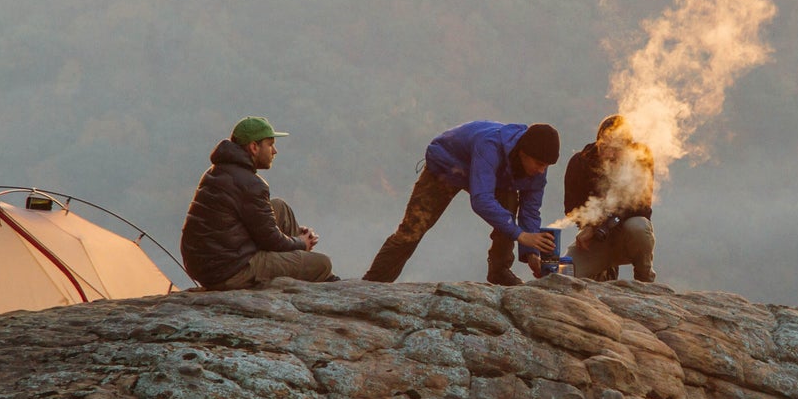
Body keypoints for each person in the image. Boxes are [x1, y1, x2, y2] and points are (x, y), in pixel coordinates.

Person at [364, 121, 561, 285]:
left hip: (496, 178)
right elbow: (481, 199)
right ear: (523, 153)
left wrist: (532, 253)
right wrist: (520, 235)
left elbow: (530, 212)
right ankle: (373, 283)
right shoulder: (490, 145)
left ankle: (499, 271)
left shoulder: (537, 167)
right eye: (539, 164)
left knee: (507, 210)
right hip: (447, 167)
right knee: (412, 229)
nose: (542, 170)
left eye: (547, 166)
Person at [181, 117, 334, 290]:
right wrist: (301, 242)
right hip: (231, 270)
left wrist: (295, 239)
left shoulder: (216, 172)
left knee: (280, 207)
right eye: (270, 144)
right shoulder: (251, 184)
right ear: (254, 147)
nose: (274, 151)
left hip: (208, 264)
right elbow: (271, 240)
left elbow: (260, 227)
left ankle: (298, 261)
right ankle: (312, 273)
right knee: (323, 264)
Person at [563, 114, 657, 283]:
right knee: (564, 275)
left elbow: (642, 206)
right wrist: (589, 225)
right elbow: (572, 207)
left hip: (627, 238)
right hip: (595, 241)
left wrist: (604, 222)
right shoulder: (581, 162)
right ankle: (602, 271)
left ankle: (644, 278)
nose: (609, 154)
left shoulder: (641, 159)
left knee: (639, 226)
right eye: (604, 146)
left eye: (617, 149)